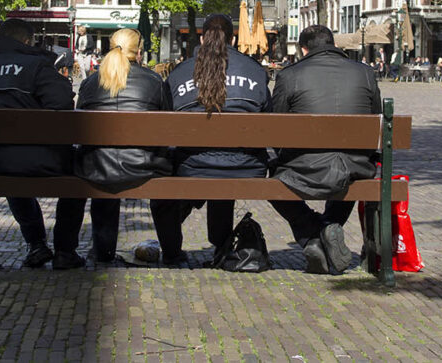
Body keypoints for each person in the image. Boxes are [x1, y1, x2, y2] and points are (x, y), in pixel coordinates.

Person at [0, 18, 86, 270]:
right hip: (43, 159)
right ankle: (65, 250)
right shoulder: (36, 66)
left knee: (11, 163)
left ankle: (36, 244)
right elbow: (61, 103)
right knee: (80, 170)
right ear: (27, 41)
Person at [151, 14, 272, 264]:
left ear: (202, 39)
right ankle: (221, 246)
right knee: (224, 163)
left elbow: (165, 124)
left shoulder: (180, 72)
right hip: (247, 165)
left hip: (192, 165)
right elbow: (269, 118)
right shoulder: (254, 70)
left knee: (187, 173)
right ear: (233, 39)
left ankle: (172, 253)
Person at [269, 25, 380, 274]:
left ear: (303, 49)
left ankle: (313, 233)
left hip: (305, 166)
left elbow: (275, 128)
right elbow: (378, 119)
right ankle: (330, 225)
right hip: (356, 165)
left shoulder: (289, 75)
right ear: (333, 44)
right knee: (349, 173)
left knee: (272, 177)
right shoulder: (365, 72)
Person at [76, 28, 172, 263]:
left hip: (96, 166)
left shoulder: (90, 82)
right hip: (143, 165)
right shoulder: (154, 81)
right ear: (139, 52)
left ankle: (103, 251)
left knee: (102, 162)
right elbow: (168, 126)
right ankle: (173, 252)